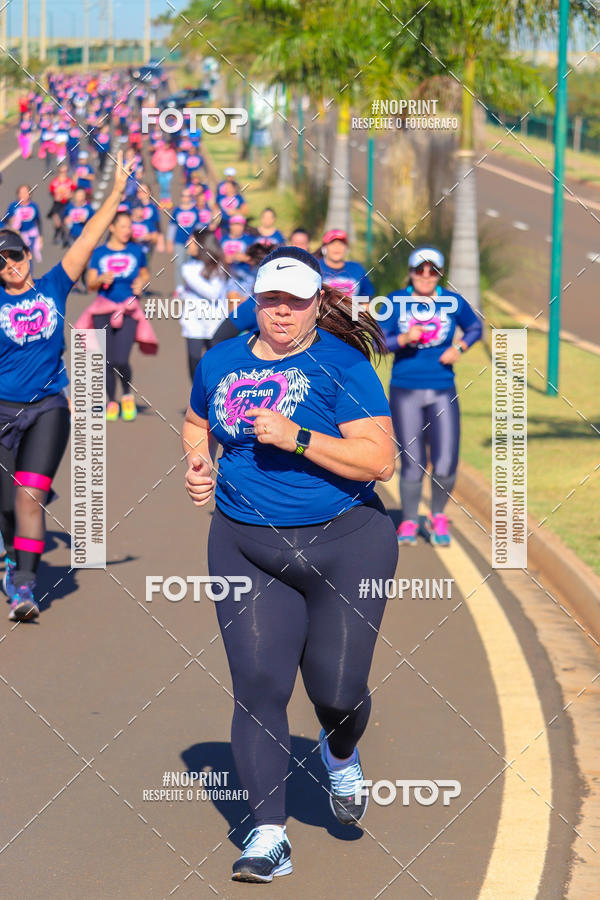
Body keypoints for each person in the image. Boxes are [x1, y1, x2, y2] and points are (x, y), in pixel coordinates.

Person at [183, 246, 398, 882]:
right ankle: (269, 836)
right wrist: (199, 463)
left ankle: (341, 752)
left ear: (316, 303)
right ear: (255, 300)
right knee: (259, 686)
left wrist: (297, 436)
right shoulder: (221, 360)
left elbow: (379, 460)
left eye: (296, 301)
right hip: (245, 544)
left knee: (336, 693)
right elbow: (196, 421)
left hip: (346, 543)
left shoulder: (343, 365)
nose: (282, 312)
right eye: (271, 299)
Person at [0, 152, 135, 621]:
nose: (10, 264)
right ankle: (11, 555)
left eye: (15, 255)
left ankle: (24, 586)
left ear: (28, 255)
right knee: (6, 506)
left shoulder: (54, 285)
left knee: (29, 498)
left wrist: (116, 192)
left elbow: (89, 235)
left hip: (48, 408)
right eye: (1, 260)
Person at [380, 246, 482, 546]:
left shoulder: (452, 301)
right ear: (411, 273)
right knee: (413, 461)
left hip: (441, 388)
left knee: (447, 461)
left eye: (432, 270)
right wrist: (403, 338)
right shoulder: (395, 302)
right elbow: (378, 342)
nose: (426, 275)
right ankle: (410, 521)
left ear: (440, 274)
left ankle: (438, 516)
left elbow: (475, 327)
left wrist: (459, 348)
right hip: (405, 389)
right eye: (420, 270)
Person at [82, 211, 155, 422]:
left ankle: (126, 394)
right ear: (112, 228)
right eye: (123, 226)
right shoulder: (99, 253)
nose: (127, 231)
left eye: (129, 227)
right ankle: (111, 401)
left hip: (128, 310)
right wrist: (101, 279)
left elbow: (144, 273)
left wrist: (142, 283)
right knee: (106, 360)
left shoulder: (136, 250)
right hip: (103, 310)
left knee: (121, 359)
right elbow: (90, 283)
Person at [178, 230, 229, 380]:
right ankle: (197, 394)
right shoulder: (189, 266)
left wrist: (188, 276)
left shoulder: (217, 266)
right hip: (193, 322)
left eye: (191, 241)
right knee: (194, 361)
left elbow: (213, 293)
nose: (187, 244)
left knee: (217, 363)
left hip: (215, 323)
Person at [319, 230, 374, 298]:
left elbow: (367, 298)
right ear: (324, 248)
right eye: (332, 244)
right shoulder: (316, 268)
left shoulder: (358, 269)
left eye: (341, 244)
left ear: (347, 248)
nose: (337, 247)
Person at [4, 185, 43, 267]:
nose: (23, 195)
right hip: (18, 236)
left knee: (29, 257)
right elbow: (5, 220)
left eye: (25, 193)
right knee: (19, 258)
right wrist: (12, 221)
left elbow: (38, 221)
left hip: (31, 235)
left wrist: (40, 237)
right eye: (21, 193)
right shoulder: (13, 206)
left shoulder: (34, 206)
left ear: (30, 194)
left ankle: (30, 273)